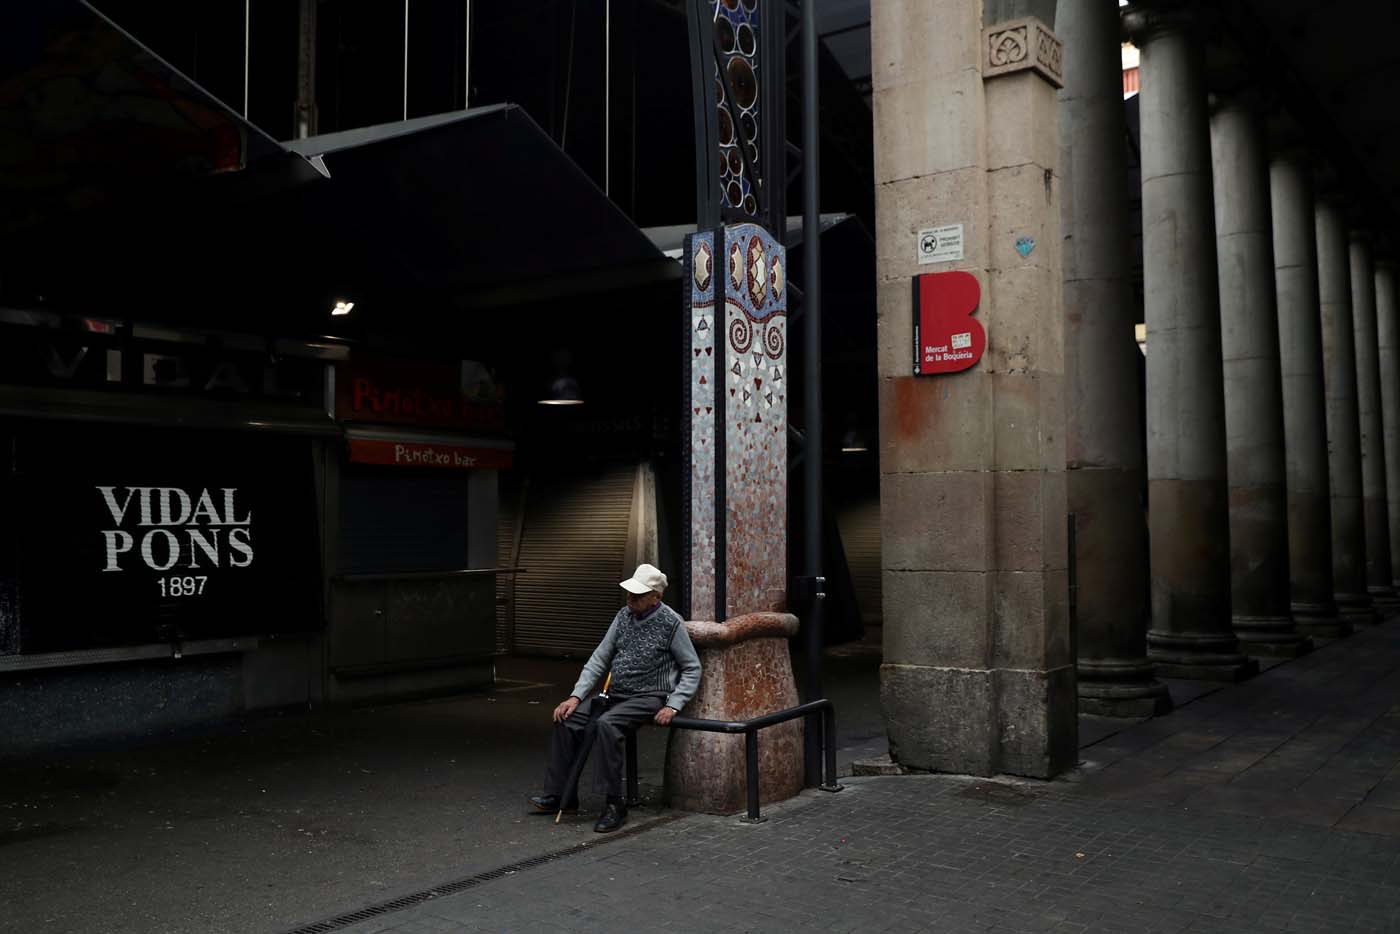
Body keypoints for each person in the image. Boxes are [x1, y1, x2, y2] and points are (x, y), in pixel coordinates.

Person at [527, 563, 701, 832]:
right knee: (567, 719)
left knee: (607, 725)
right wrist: (575, 696)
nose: (630, 599)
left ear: (657, 597)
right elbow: (599, 658)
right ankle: (561, 795)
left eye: (638, 595)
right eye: (630, 594)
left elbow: (692, 667)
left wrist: (673, 704)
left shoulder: (671, 622)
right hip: (615, 693)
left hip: (649, 695)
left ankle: (614, 804)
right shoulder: (623, 616)